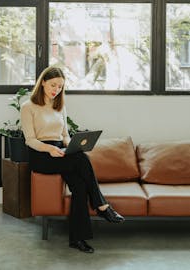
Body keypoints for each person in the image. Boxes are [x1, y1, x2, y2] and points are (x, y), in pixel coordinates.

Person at [21, 66, 125, 253]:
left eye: (60, 87)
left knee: (79, 186)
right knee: (81, 159)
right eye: (53, 85)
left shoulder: (60, 106)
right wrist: (50, 149)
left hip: (60, 152)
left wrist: (71, 146)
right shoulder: (28, 107)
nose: (56, 90)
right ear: (43, 82)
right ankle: (101, 205)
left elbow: (65, 135)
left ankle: (77, 239)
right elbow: (30, 140)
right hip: (41, 155)